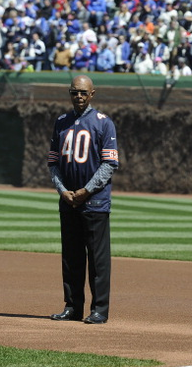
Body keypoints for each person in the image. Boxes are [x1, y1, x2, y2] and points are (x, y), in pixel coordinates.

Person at [48, 75, 119, 324]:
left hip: (95, 202)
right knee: (71, 257)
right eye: (74, 92)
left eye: (82, 93)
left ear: (92, 94)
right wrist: (62, 190)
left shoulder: (103, 123)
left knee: (98, 260)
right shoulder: (61, 122)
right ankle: (72, 306)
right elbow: (53, 163)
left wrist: (86, 190)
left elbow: (110, 164)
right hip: (68, 201)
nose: (78, 96)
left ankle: (99, 309)